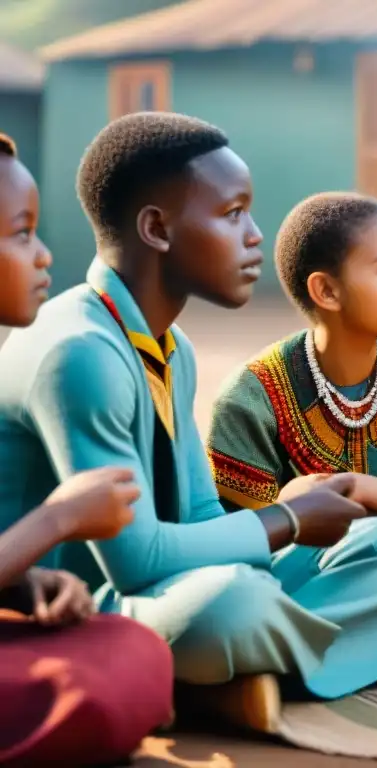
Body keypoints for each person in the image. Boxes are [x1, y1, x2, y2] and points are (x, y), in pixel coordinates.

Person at [0, 114, 377, 731]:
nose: (256, 236)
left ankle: (240, 673)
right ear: (156, 229)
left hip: (171, 583)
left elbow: (202, 517)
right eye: (233, 214)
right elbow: (136, 561)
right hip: (82, 606)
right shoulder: (80, 353)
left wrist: (280, 533)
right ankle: (231, 675)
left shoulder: (172, 347)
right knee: (231, 605)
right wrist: (283, 521)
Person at [207, 191, 377, 611]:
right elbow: (246, 547)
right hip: (300, 566)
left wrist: (347, 487)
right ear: (327, 291)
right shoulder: (250, 398)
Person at [0, 131, 173, 767]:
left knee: (133, 649)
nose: (45, 256)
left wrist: (26, 585)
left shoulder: (169, 357)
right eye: (21, 234)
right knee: (86, 693)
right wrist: (59, 519)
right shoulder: (76, 356)